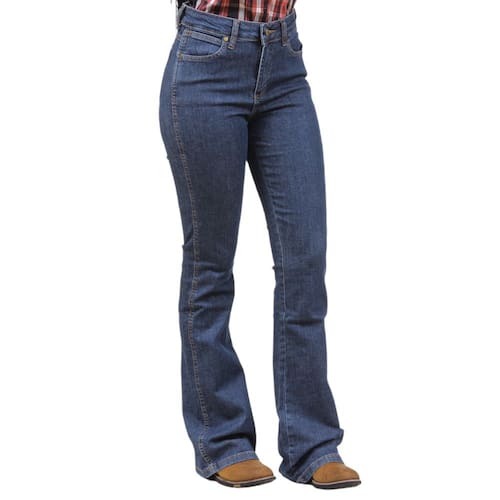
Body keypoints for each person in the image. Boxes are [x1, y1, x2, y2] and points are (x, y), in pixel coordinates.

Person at [158, 0, 361, 489]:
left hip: (284, 61)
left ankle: (312, 445)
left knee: (304, 265)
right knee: (210, 267)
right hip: (206, 57)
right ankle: (223, 441)